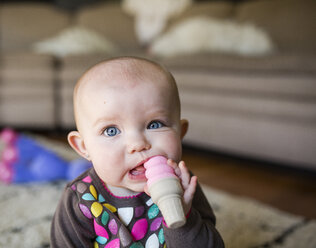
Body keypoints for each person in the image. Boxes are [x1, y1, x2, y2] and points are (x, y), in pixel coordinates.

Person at [50, 57, 224, 247]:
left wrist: (184, 218)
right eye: (111, 130)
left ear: (180, 133)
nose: (138, 144)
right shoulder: (80, 200)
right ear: (84, 147)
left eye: (155, 124)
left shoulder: (183, 186)